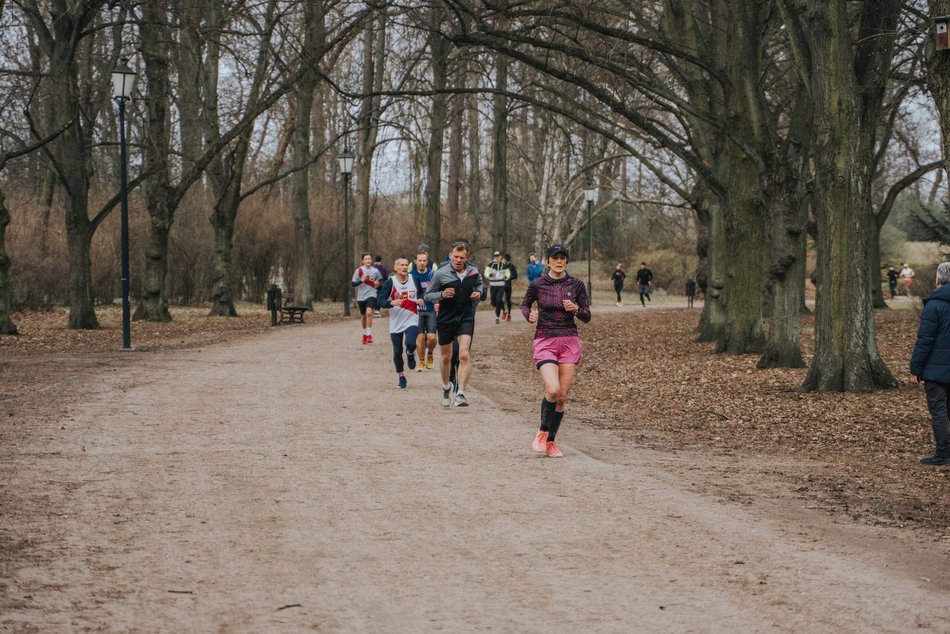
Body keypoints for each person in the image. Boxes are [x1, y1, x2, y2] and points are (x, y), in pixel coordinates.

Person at [520, 244, 591, 458]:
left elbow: (587, 316)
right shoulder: (538, 284)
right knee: (553, 390)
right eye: (555, 258)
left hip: (569, 341)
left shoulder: (576, 285)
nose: (559, 261)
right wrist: (529, 315)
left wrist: (576, 309)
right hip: (545, 339)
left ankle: (551, 442)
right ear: (548, 261)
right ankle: (542, 432)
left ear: (567, 261)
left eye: (563, 258)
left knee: (562, 396)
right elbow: (524, 305)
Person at [424, 238, 485, 408]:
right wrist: (442, 295)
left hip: (466, 316)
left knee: (464, 354)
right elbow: (428, 295)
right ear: (450, 255)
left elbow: (481, 287)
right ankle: (446, 387)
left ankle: (460, 393)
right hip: (446, 318)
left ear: (467, 258)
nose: (458, 261)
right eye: (455, 257)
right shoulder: (441, 273)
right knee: (446, 357)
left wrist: (478, 294)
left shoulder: (474, 272)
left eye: (462, 258)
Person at [909, 262, 950, 465]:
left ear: (937, 280)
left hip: (935, 368)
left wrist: (915, 369)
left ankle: (943, 453)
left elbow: (925, 340)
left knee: (939, 411)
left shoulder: (934, 305)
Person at [376, 257, 420, 389]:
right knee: (397, 351)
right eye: (401, 265)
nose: (404, 267)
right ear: (395, 267)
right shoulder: (390, 283)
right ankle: (401, 376)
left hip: (412, 317)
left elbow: (422, 293)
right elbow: (379, 301)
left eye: (406, 265)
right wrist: (391, 303)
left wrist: (421, 299)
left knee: (411, 343)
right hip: (396, 321)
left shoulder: (414, 279)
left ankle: (410, 353)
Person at [410, 250, 437, 371]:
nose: (422, 263)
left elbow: (439, 289)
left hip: (430, 309)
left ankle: (430, 353)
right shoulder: (411, 275)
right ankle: (421, 361)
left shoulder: (433, 274)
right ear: (415, 261)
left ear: (427, 261)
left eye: (424, 260)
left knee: (431, 338)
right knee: (420, 337)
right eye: (419, 260)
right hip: (417, 311)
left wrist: (438, 302)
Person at [351, 252, 382, 344]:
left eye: (369, 259)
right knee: (363, 316)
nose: (368, 260)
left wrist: (378, 284)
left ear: (371, 260)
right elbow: (353, 284)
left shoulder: (375, 271)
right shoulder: (359, 271)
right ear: (362, 261)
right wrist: (361, 281)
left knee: (369, 313)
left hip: (372, 294)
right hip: (361, 296)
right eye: (366, 259)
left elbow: (381, 281)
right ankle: (364, 334)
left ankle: (369, 335)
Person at [484, 250, 510, 324]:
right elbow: (486, 273)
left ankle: (497, 318)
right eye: (495, 256)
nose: (497, 257)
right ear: (494, 257)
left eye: (498, 256)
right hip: (493, 285)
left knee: (499, 300)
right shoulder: (490, 264)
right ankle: (504, 310)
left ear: (500, 256)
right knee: (494, 303)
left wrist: (506, 276)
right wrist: (490, 275)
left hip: (501, 285)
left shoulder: (503, 265)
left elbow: (508, 273)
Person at [502, 253, 518, 321]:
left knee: (508, 299)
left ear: (507, 260)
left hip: (508, 285)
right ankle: (504, 311)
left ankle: (509, 314)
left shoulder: (512, 266)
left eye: (505, 260)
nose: (504, 261)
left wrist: (509, 277)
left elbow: (515, 276)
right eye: (504, 259)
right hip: (501, 284)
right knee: (499, 299)